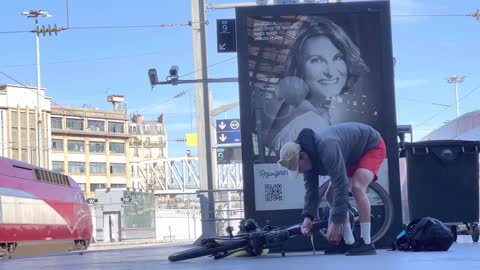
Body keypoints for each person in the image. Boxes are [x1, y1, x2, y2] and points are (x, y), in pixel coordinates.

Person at [277, 122, 386, 256]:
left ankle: (367, 243)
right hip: (349, 155)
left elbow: (341, 184)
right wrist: (308, 217)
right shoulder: (308, 159)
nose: (299, 172)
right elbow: (312, 191)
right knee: (330, 195)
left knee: (357, 187)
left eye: (298, 168)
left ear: (303, 156)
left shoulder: (327, 148)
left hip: (371, 145)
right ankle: (348, 242)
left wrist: (336, 221)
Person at [263, 16, 370, 151]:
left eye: (338, 57)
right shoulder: (310, 123)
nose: (330, 72)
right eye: (317, 60)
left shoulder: (313, 112)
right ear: (299, 67)